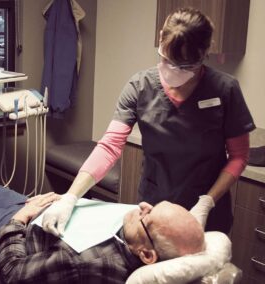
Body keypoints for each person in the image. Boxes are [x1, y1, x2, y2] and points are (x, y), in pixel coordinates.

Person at [42, 7, 255, 236]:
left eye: (187, 66)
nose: (175, 71)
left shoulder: (225, 89)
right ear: (161, 37)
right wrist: (71, 196)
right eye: (169, 60)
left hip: (206, 213)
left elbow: (239, 156)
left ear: (205, 53)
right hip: (154, 207)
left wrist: (206, 203)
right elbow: (109, 146)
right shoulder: (140, 86)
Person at [0, 132, 205, 284]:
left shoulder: (95, 264)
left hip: (12, 236)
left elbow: (13, 272)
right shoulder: (134, 237)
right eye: (152, 205)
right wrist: (64, 201)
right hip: (44, 218)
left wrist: (20, 220)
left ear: (147, 254)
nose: (143, 206)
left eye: (148, 215)